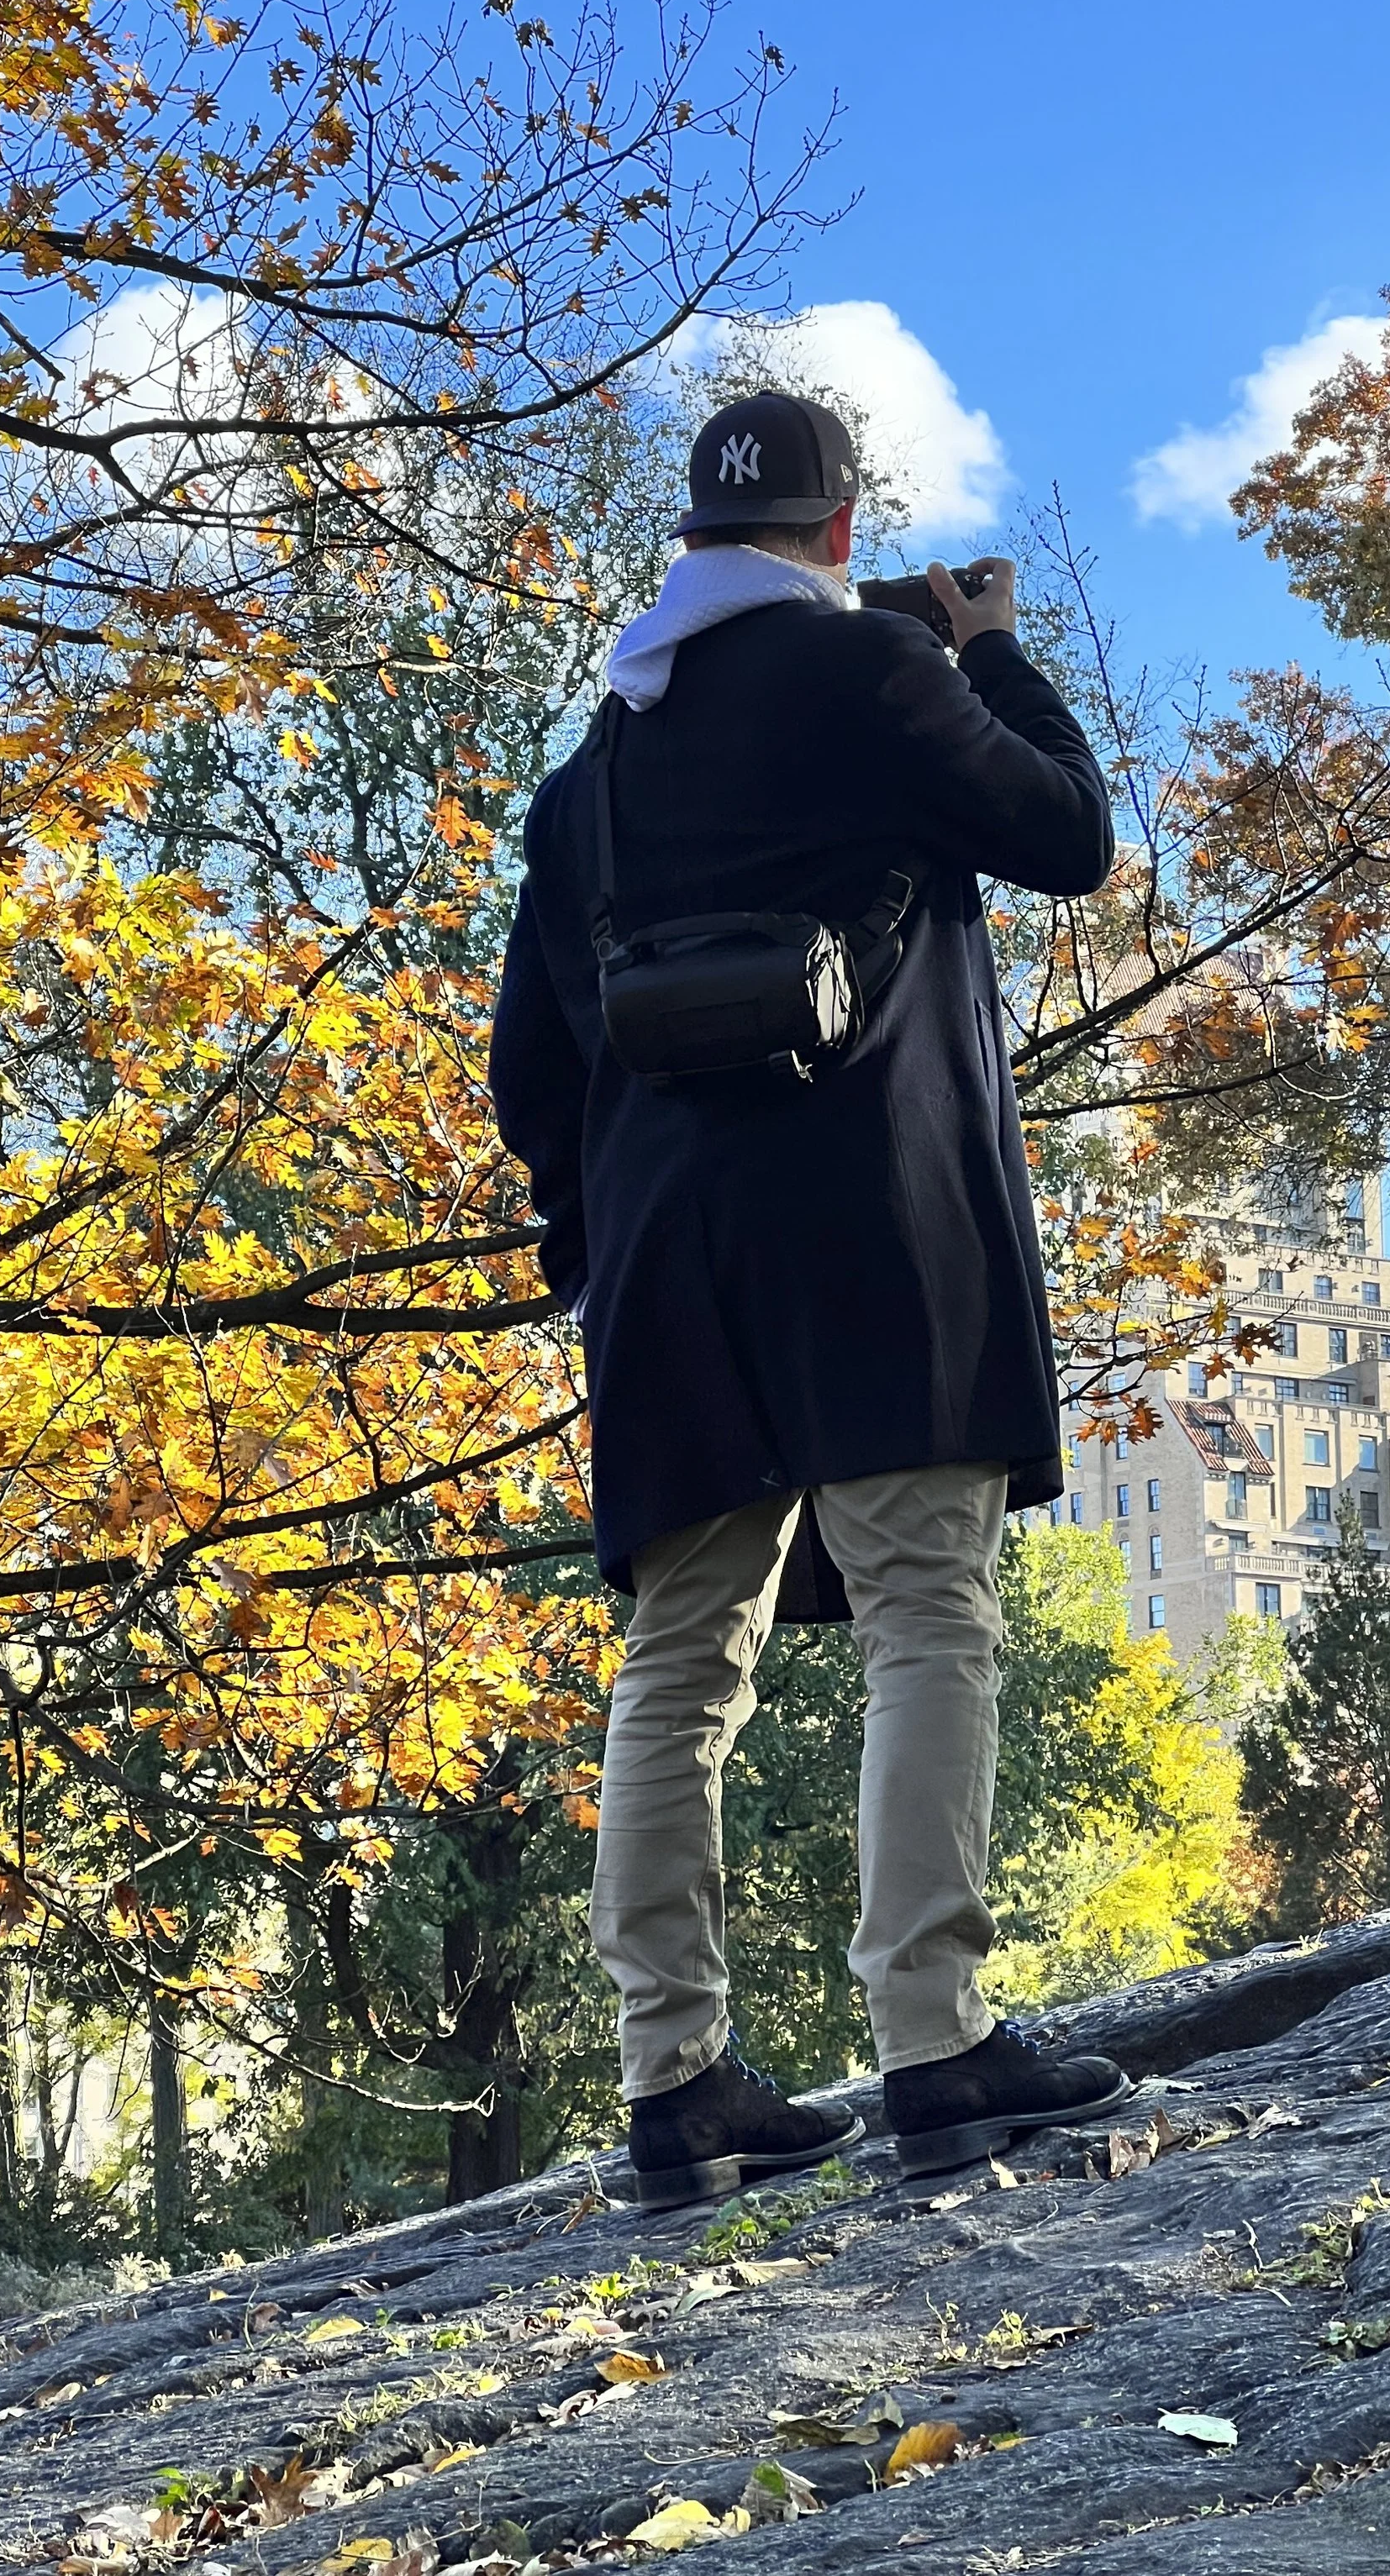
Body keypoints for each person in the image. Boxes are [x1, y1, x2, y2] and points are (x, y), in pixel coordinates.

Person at [491, 390, 1129, 2205]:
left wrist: (595, 1238)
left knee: (681, 1659)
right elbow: (1067, 833)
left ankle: (674, 2080)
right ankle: (933, 2040)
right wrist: (990, 652)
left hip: (669, 1260)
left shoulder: (593, 774)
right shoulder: (876, 677)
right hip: (878, 1231)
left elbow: (532, 1069)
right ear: (840, 533)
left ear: (693, 537)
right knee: (927, 1608)